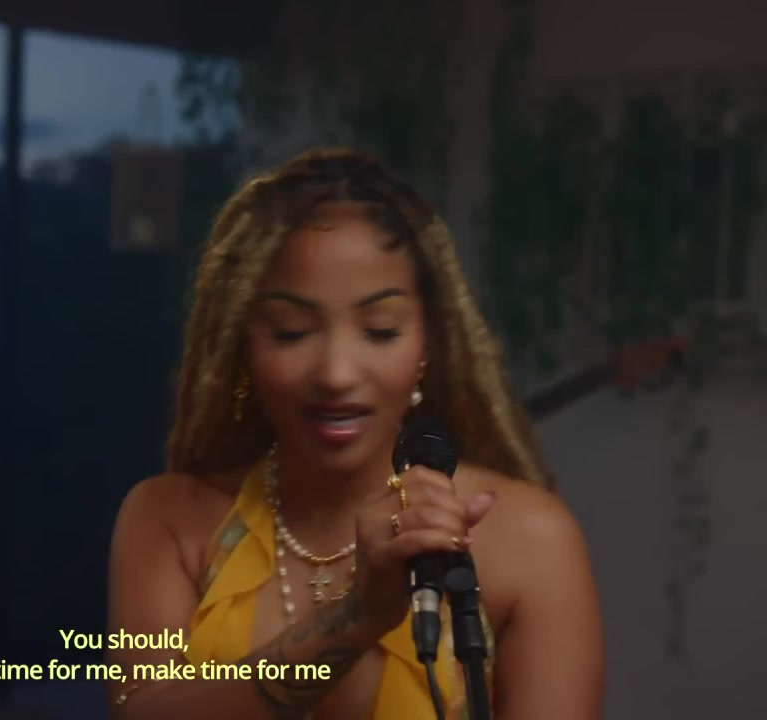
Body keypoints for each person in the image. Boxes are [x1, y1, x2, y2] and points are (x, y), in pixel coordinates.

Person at [105, 148, 604, 719]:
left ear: (428, 342)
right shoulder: (169, 521)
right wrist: (357, 618)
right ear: (243, 345)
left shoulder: (530, 541)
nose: (337, 374)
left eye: (380, 330)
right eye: (291, 332)